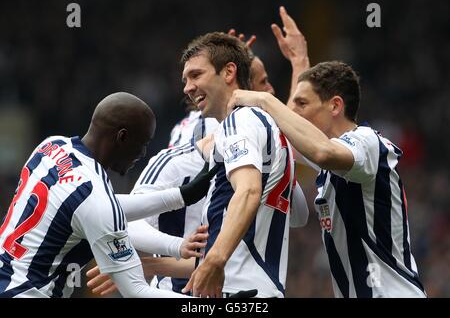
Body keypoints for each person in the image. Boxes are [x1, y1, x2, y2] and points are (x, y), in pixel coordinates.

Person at [227, 61, 427, 298]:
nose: (295, 114)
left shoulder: (367, 142)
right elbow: (288, 138)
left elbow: (322, 152)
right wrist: (298, 62)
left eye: (302, 104)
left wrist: (265, 100)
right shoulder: (335, 163)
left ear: (335, 106)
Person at [0, 92, 194, 298]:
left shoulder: (50, 146)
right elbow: (136, 291)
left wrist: (181, 196)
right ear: (123, 137)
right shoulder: (95, 197)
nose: (144, 153)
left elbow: (95, 208)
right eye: (143, 143)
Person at [178, 31, 304, 298]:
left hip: (235, 289)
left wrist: (215, 259)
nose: (187, 87)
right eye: (186, 79)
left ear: (228, 72)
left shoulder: (239, 122)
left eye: (196, 75)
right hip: (261, 288)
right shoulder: (272, 130)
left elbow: (248, 191)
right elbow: (300, 214)